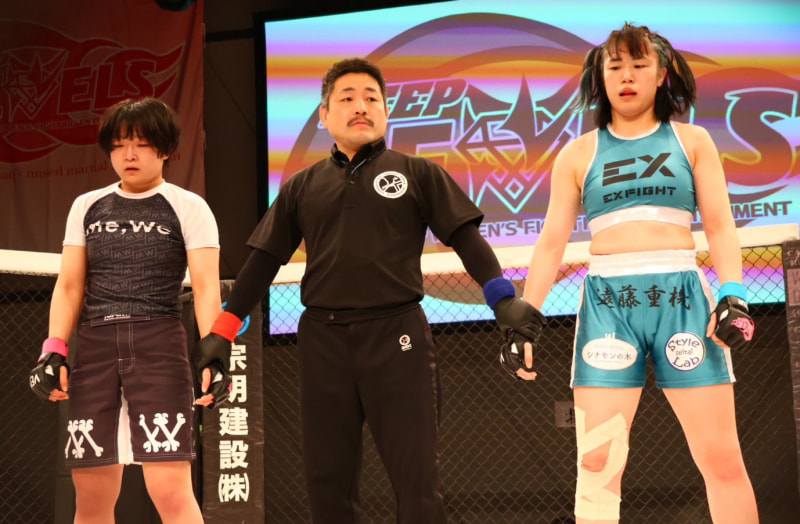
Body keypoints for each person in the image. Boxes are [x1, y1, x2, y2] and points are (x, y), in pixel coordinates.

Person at [192, 57, 544, 524]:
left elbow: (466, 239)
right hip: (323, 341)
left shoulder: (418, 173)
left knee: (417, 485)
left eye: (372, 98)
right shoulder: (300, 187)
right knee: (327, 488)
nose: (361, 106)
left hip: (398, 336)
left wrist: (503, 299)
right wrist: (222, 331)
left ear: (385, 112)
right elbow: (262, 263)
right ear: (323, 116)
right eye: (347, 98)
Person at [517, 23, 758, 524]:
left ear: (662, 73)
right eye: (615, 66)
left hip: (682, 300)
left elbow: (720, 225)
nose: (626, 75)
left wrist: (733, 293)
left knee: (721, 459)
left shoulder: (692, 141)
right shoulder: (577, 153)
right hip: (608, 305)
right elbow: (551, 242)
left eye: (639, 64)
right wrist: (525, 318)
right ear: (601, 78)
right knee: (597, 464)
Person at [28, 97, 221, 523]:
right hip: (95, 346)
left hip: (159, 344)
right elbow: (70, 285)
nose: (128, 155)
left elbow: (206, 286)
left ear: (165, 148)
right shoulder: (87, 205)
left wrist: (214, 352)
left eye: (141, 144)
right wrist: (53, 350)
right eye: (118, 145)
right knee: (91, 495)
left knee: (171, 490)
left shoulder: (188, 206)